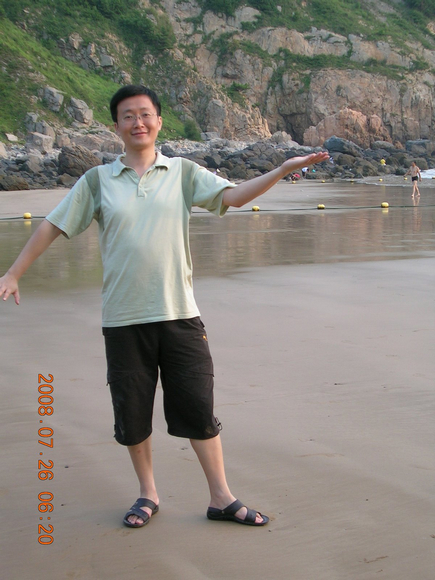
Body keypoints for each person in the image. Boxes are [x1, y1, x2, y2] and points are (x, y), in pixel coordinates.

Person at [0, 85, 329, 529]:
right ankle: (148, 494)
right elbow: (54, 225)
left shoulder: (182, 172)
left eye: (145, 114)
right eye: (128, 115)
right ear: (116, 126)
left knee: (198, 407)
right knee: (133, 414)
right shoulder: (97, 180)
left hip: (180, 315)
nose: (137, 122)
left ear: (158, 121)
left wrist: (284, 169)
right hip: (124, 320)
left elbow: (233, 197)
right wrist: (13, 273)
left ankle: (221, 498)